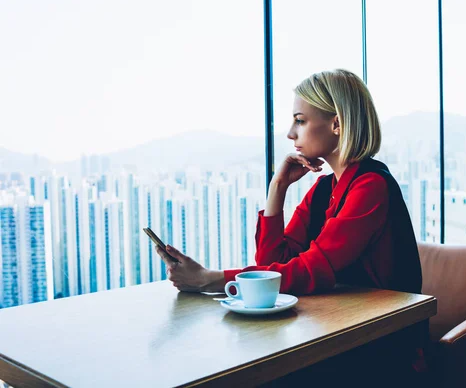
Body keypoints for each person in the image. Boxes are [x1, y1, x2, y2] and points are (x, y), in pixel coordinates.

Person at [157, 69, 427, 386]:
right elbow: (276, 260)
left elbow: (311, 269)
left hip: (382, 347)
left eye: (300, 120)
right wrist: (278, 187)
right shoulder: (325, 189)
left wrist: (211, 279)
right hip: (340, 334)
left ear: (337, 124)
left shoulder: (370, 186)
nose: (290, 133)